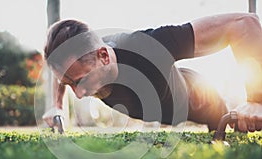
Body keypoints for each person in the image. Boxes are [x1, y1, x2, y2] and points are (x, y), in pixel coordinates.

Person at [43, 13, 262, 133]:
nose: (79, 94)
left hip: (202, 99)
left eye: (81, 81)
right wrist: (57, 105)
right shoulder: (75, 64)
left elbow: (244, 24)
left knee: (235, 130)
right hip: (164, 107)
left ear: (104, 56)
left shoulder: (148, 48)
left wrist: (256, 99)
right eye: (69, 83)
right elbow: (61, 72)